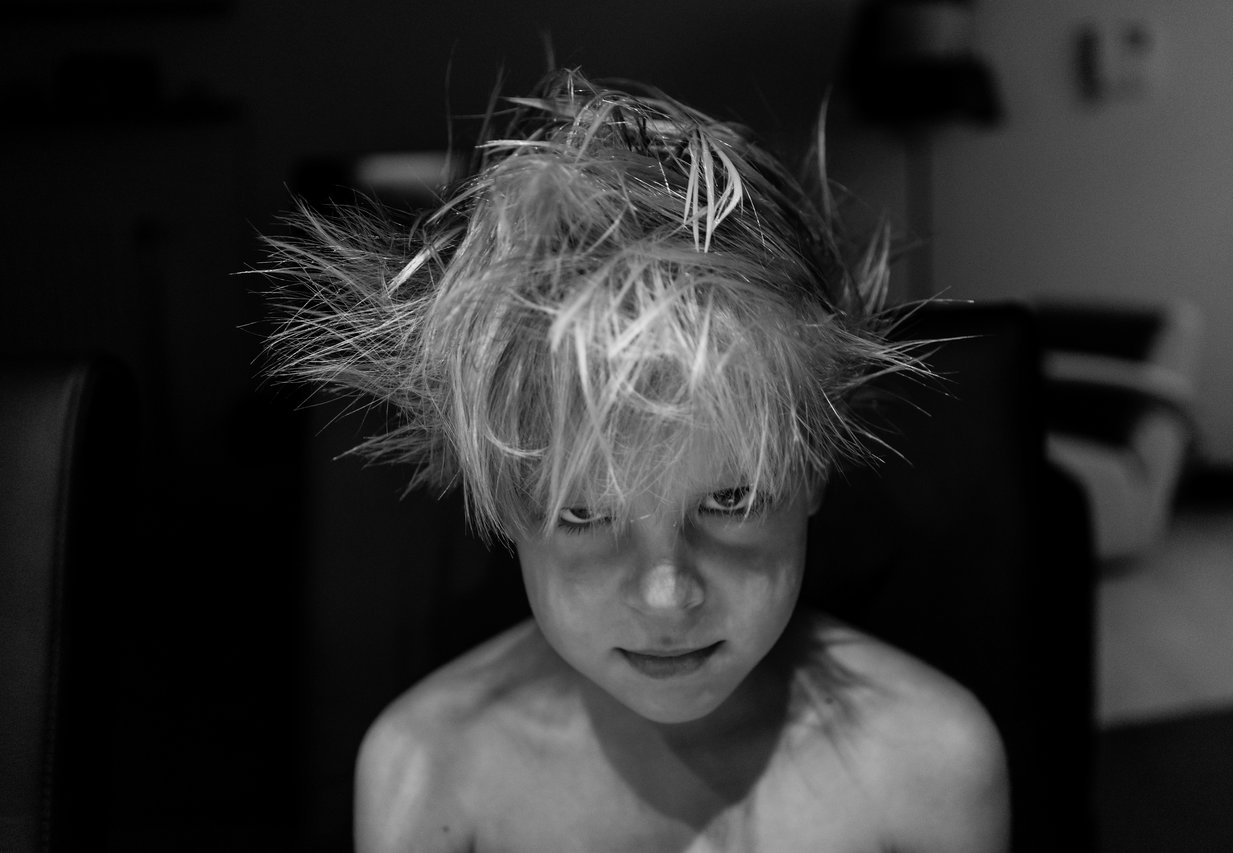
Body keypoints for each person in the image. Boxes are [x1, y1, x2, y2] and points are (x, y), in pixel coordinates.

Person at [262, 68, 1009, 852]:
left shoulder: (928, 766)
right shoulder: (429, 774)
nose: (666, 596)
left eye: (730, 500)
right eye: (585, 513)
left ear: (812, 465)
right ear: (504, 498)